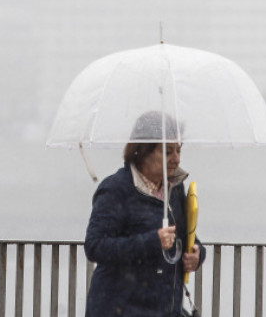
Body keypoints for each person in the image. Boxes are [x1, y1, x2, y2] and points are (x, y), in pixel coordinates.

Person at [84, 111, 206, 316]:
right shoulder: (116, 189)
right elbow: (95, 246)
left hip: (164, 308)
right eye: (167, 152)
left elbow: (182, 236)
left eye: (178, 150)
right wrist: (152, 242)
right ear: (142, 152)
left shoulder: (175, 188)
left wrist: (197, 254)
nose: (176, 159)